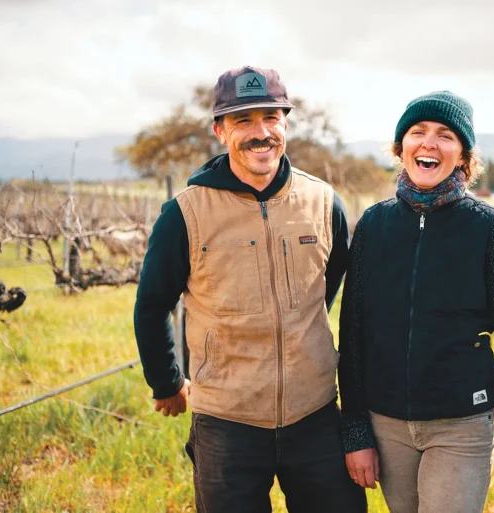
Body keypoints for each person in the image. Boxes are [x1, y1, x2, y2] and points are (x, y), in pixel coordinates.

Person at [134, 65, 366, 513]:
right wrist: (166, 382)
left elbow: (329, 287)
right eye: (243, 121)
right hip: (227, 422)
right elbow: (151, 305)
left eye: (271, 119)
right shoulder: (185, 213)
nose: (261, 133)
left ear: (285, 124)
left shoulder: (323, 202)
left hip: (315, 414)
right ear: (220, 131)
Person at [339, 91, 494, 512]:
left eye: (445, 135)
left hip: (461, 425)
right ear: (401, 147)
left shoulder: (490, 230)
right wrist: (356, 429)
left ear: (464, 157)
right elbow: (352, 332)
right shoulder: (373, 226)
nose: (429, 142)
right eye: (417, 132)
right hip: (386, 423)